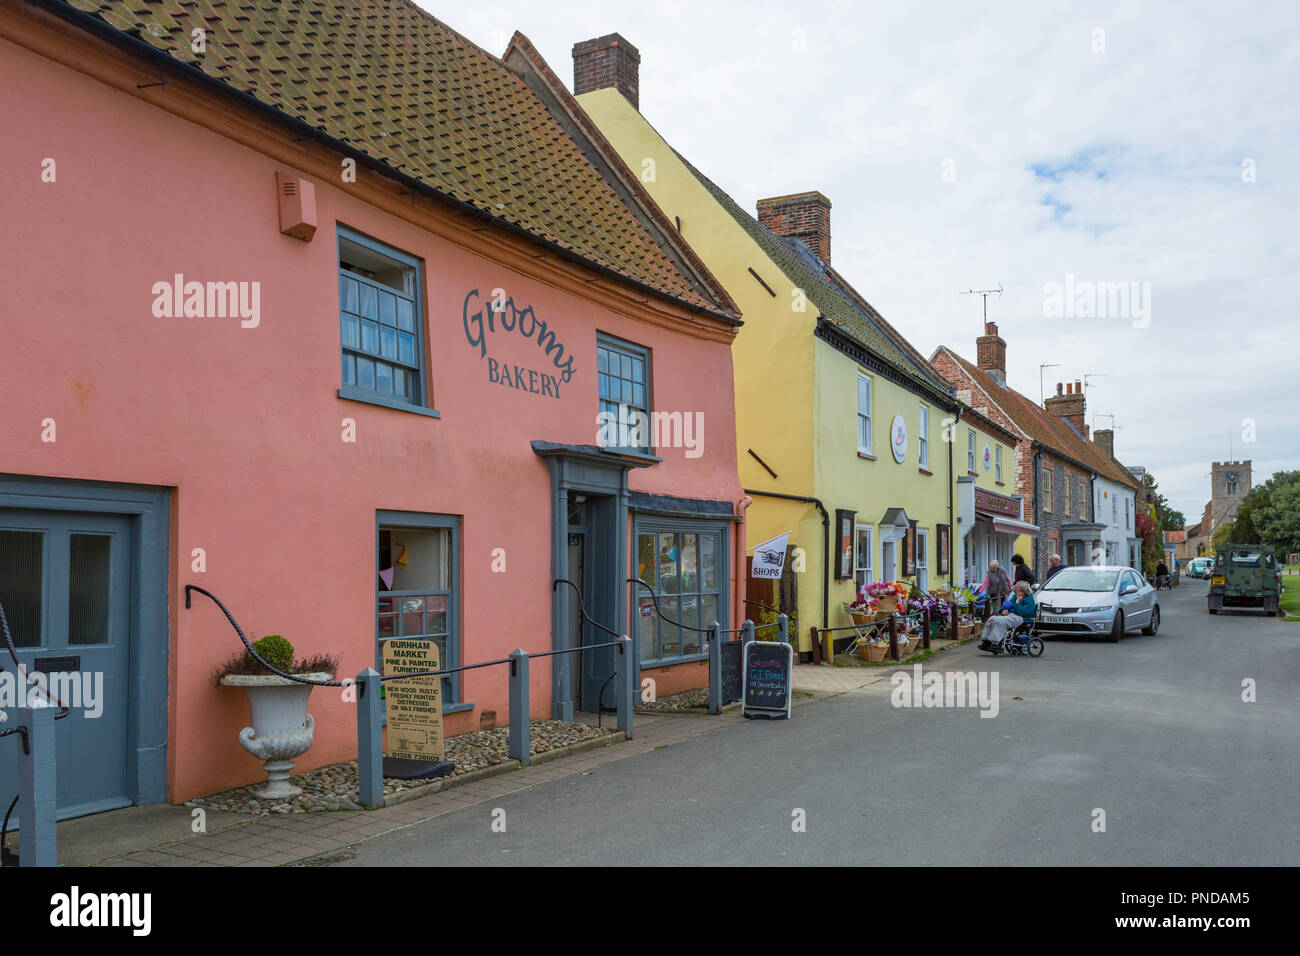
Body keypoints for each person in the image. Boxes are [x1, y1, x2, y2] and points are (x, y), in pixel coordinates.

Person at [981, 581, 1036, 650]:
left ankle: (996, 643)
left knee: (1000, 621)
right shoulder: (1015, 596)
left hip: (1022, 618)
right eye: (1015, 590)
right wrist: (1002, 610)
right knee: (992, 619)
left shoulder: (1029, 600)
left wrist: (1017, 603)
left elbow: (1023, 612)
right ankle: (986, 641)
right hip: (1011, 615)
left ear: (1023, 591)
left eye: (1017, 590)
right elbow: (1007, 605)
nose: (1016, 592)